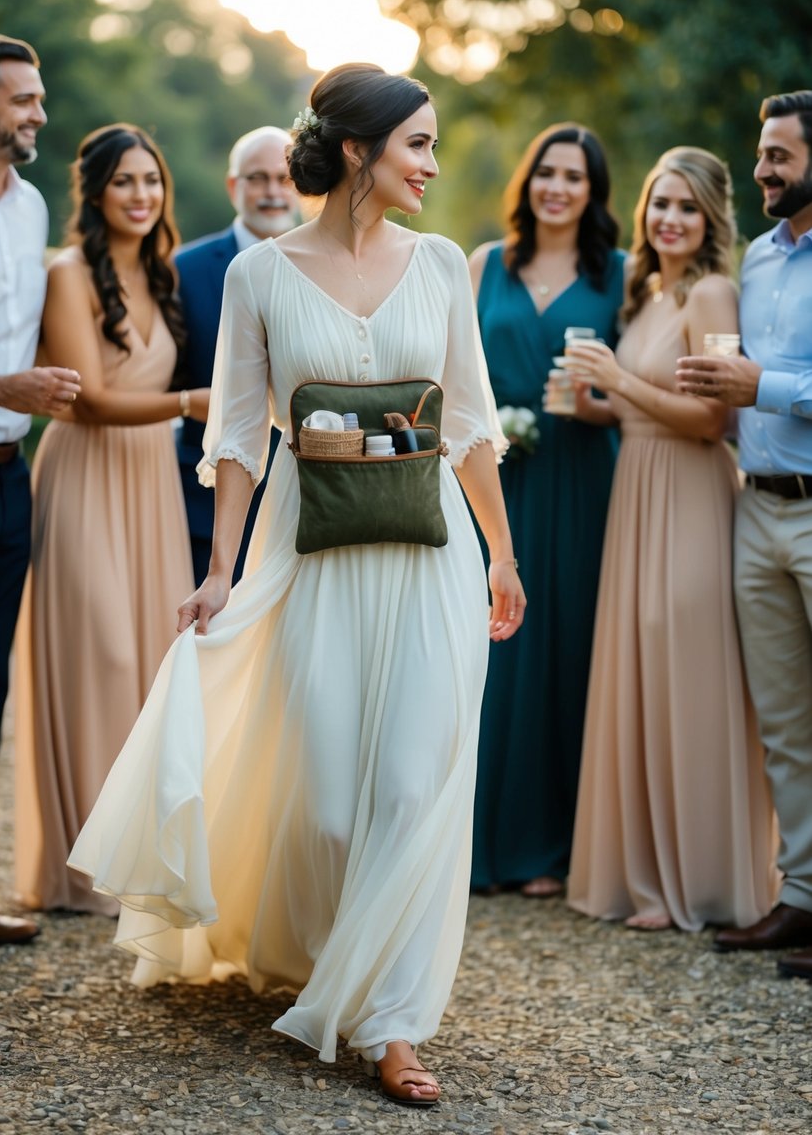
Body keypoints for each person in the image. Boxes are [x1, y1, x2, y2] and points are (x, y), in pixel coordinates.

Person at [69, 63, 525, 1107]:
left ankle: (391, 1021)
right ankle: (321, 952)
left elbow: (468, 423)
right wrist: (219, 569)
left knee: (413, 789)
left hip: (430, 556)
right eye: (418, 143)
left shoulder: (444, 262)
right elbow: (234, 436)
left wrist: (498, 551)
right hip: (304, 554)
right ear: (359, 151)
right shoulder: (258, 276)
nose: (433, 163)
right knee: (324, 805)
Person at [566, 146, 775, 931]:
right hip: (637, 495)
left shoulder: (711, 294)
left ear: (711, 217)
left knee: (687, 670)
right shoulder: (646, 294)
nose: (668, 219)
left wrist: (618, 383)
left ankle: (703, 878)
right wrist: (592, 405)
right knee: (643, 671)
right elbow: (644, 408)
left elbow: (713, 420)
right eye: (660, 202)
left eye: (686, 206)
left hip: (689, 496)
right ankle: (646, 871)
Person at [13, 124, 209, 914]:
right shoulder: (68, 273)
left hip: (149, 480)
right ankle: (81, 870)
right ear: (95, 192)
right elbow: (87, 398)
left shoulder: (163, 274)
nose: (141, 196)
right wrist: (192, 403)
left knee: (147, 663)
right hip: (86, 472)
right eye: (125, 182)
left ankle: (139, 861)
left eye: (151, 182)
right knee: (98, 652)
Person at [468, 124, 624, 897]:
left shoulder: (621, 275)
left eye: (573, 176)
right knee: (490, 652)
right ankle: (472, 840)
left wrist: (595, 408)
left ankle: (550, 847)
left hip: (583, 476)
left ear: (593, 191)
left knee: (567, 647)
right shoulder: (483, 265)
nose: (556, 187)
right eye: (545, 173)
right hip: (495, 483)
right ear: (526, 181)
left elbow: (633, 391)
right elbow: (449, 374)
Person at [677, 92, 812, 977]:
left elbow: (764, 383)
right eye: (761, 154)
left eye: (778, 156)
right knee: (785, 723)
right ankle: (800, 899)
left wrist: (759, 385)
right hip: (754, 507)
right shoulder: (757, 260)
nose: (761, 170)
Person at [0, 32, 81, 945]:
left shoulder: (31, 208)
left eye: (39, 98)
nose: (38, 114)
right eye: (22, 99)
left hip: (10, 485)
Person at [175, 127, 298, 585]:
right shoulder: (183, 270)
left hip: (303, 503)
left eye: (283, 179)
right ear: (233, 186)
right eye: (257, 178)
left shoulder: (327, 267)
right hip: (202, 505)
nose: (271, 192)